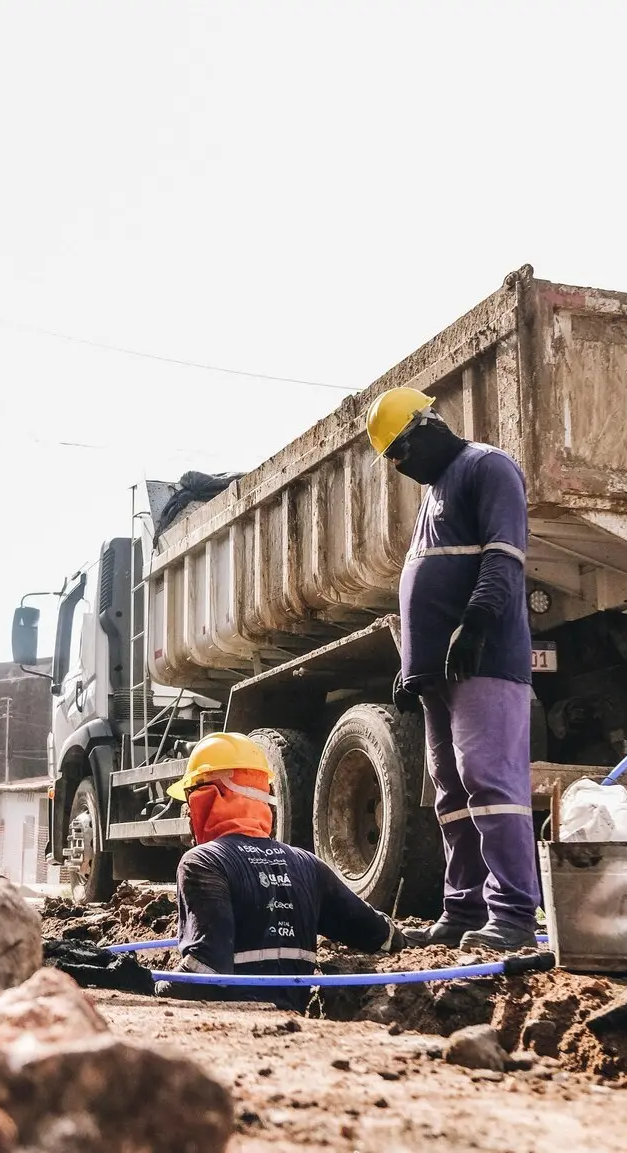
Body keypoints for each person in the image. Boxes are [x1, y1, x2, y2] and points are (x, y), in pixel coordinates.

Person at [366, 386, 539, 952]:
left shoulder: (486, 467)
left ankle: (513, 913)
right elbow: (430, 574)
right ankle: (463, 909)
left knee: (489, 779)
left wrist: (477, 624)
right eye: (392, 458)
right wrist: (413, 663)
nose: (399, 466)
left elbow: (503, 557)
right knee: (450, 791)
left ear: (428, 427)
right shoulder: (436, 490)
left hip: (483, 660)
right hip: (439, 671)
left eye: (400, 450)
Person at [156, 733, 402, 1010]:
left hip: (232, 1026)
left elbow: (205, 972)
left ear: (208, 797)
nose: (188, 813)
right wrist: (407, 935)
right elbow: (374, 932)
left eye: (190, 799)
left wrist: (145, 983)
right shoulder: (307, 864)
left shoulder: (203, 862)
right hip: (292, 1022)